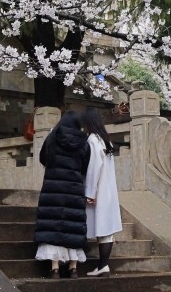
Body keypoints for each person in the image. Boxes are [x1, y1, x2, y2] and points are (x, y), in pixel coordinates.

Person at [34, 110, 91, 278]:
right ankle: (73, 268)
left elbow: (43, 158)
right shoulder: (84, 142)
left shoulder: (53, 137)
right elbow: (85, 166)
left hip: (53, 187)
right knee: (72, 225)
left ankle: (55, 268)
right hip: (74, 188)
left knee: (53, 224)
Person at [81, 109, 122, 277]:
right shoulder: (105, 139)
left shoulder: (92, 140)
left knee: (102, 228)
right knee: (106, 229)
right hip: (109, 190)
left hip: (98, 190)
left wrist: (90, 192)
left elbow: (93, 169)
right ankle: (103, 265)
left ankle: (103, 265)